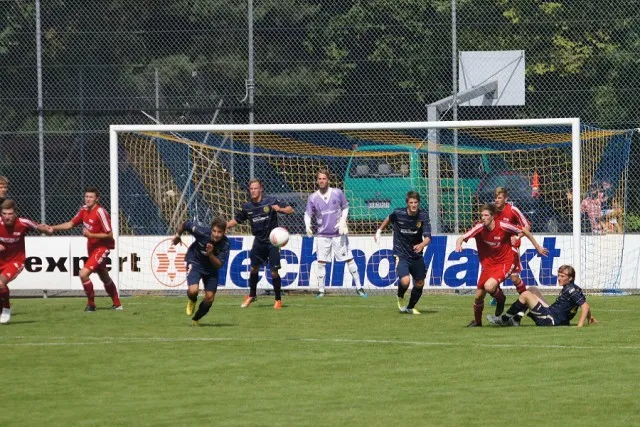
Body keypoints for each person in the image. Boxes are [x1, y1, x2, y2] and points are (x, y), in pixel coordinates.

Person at [455, 203, 548, 327]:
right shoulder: (479, 228)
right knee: (478, 296)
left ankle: (501, 299)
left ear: (493, 216)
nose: (483, 218)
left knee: (489, 286)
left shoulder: (503, 225)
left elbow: (525, 230)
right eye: (482, 215)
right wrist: (459, 244)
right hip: (488, 266)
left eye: (486, 215)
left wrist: (537, 247)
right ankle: (477, 322)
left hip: (506, 262)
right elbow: (461, 237)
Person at [45, 187, 122, 311]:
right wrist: (53, 228)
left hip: (102, 248)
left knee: (83, 274)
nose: (88, 199)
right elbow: (70, 224)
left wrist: (91, 235)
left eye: (91, 197)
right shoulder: (84, 209)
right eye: (86, 196)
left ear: (97, 199)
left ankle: (91, 305)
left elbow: (110, 234)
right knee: (103, 275)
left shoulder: (100, 212)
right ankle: (117, 304)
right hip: (92, 248)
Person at [226, 179, 294, 310]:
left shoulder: (271, 201)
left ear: (261, 189)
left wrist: (280, 209)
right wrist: (225, 226)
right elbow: (237, 220)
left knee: (274, 272)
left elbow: (291, 210)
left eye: (255, 188)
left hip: (273, 242)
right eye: (251, 189)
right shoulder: (247, 207)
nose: (253, 191)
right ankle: (252, 295)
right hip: (258, 242)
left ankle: (278, 299)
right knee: (253, 268)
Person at [304, 168, 366, 298]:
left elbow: (346, 207)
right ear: (317, 180)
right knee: (321, 262)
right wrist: (307, 225)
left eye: (324, 178)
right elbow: (308, 214)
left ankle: (359, 288)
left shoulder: (337, 193)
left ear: (328, 180)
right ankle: (321, 290)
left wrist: (343, 221)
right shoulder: (313, 197)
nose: (321, 181)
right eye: (319, 179)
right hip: (322, 235)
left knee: (349, 258)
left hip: (338, 234)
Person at [374, 191, 431, 314]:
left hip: (416, 254)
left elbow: (428, 238)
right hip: (401, 253)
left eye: (416, 202)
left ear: (418, 203)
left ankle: (410, 307)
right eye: (411, 202)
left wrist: (422, 245)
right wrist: (379, 231)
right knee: (405, 281)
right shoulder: (398, 213)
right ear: (407, 203)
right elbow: (388, 218)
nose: (413, 205)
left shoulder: (423, 216)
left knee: (420, 283)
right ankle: (400, 296)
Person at [487, 264, 597, 328]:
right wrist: (590, 318)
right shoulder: (575, 288)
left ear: (571, 278)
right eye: (559, 275)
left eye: (562, 276)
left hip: (550, 320)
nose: (559, 278)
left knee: (525, 295)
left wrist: (580, 326)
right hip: (554, 315)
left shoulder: (570, 290)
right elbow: (584, 303)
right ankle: (516, 319)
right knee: (532, 290)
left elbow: (585, 306)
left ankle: (504, 319)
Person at [172, 217, 230, 326]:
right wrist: (178, 235)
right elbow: (185, 224)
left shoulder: (225, 244)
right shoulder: (201, 232)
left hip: (211, 268)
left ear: (224, 232)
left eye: (219, 232)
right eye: (214, 231)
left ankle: (196, 319)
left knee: (209, 298)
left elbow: (219, 265)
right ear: (211, 229)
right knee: (193, 290)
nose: (216, 234)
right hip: (195, 262)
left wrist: (210, 254)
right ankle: (192, 300)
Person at [0, 200, 49, 324]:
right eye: (4, 214)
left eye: (10, 214)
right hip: (1, 261)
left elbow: (38, 227)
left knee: (0, 283)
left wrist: (48, 230)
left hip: (16, 261)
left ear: (15, 214)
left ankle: (6, 308)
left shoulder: (23, 223)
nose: (7, 217)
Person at [490, 187, 531, 304]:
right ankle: (498, 296)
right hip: (496, 249)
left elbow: (527, 227)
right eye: (495, 197)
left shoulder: (513, 210)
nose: (496, 200)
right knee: (493, 277)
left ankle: (526, 298)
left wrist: (517, 237)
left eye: (499, 198)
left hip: (511, 249)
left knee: (514, 277)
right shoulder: (492, 210)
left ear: (505, 199)